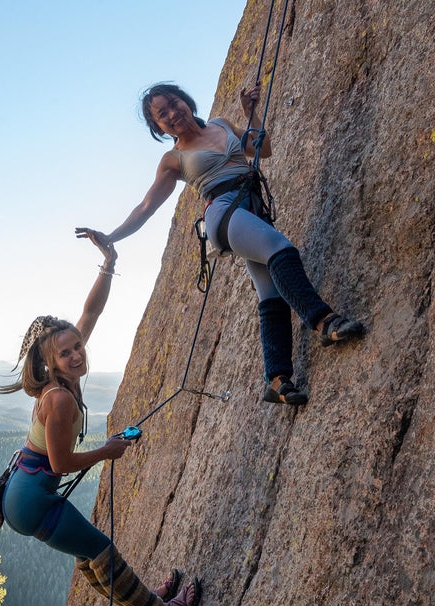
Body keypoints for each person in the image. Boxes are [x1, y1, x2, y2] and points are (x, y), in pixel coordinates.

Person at [76, 82, 364, 405]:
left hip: (252, 207)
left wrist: (250, 113)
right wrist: (111, 236)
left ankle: (278, 379)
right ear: (158, 127)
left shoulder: (221, 124)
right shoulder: (173, 160)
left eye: (174, 103)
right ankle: (323, 321)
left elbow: (262, 148)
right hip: (224, 213)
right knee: (279, 249)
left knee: (271, 292)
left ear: (186, 101)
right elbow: (146, 207)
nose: (173, 113)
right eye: (162, 114)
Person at [0, 235, 201, 606]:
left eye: (78, 347)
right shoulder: (58, 400)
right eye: (66, 353)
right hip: (31, 501)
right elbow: (60, 464)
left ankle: (149, 604)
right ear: (50, 362)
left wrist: (108, 262)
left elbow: (91, 311)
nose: (77, 355)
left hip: (30, 491)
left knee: (89, 556)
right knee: (101, 552)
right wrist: (106, 451)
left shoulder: (65, 375)